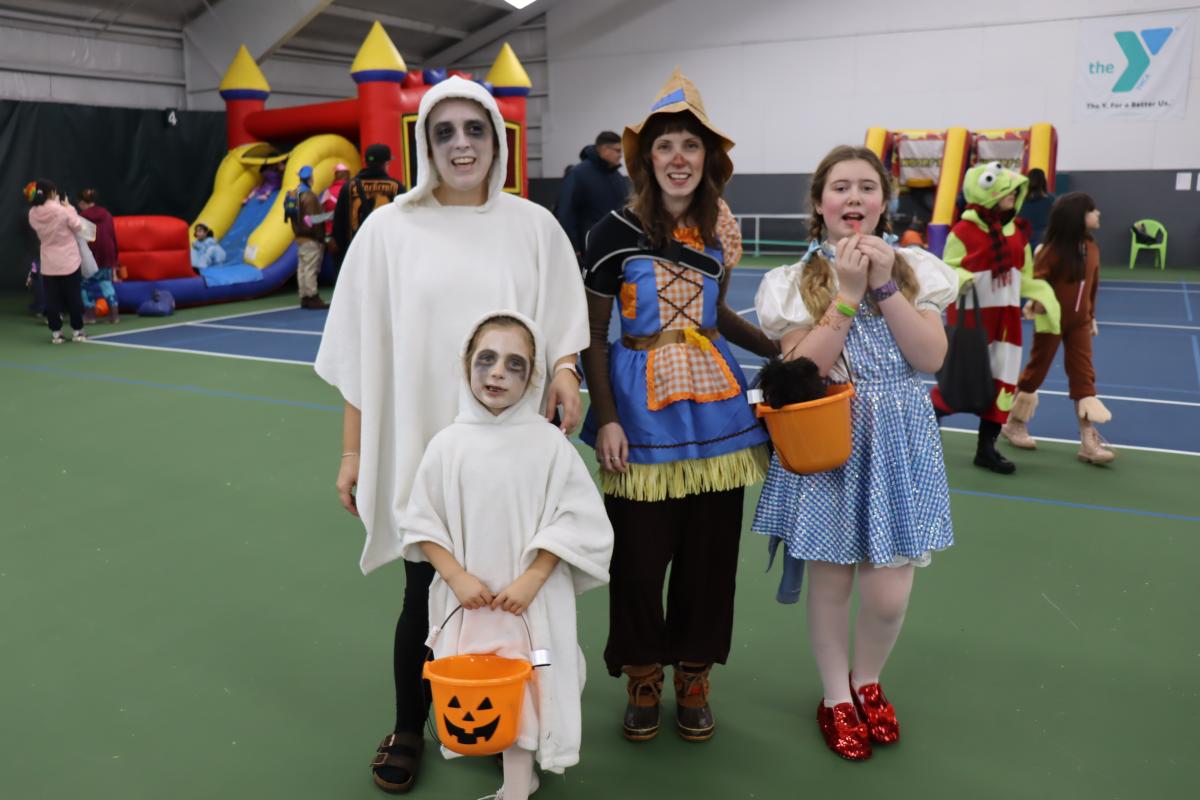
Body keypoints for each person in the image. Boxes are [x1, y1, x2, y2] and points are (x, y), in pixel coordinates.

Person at [314, 76, 588, 794]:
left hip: (515, 454)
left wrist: (565, 369)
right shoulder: (387, 232)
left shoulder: (533, 226)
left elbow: (561, 322)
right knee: (424, 593)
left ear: (498, 141)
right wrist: (353, 451)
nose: (461, 144)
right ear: (424, 145)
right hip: (424, 445)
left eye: (475, 129)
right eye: (445, 132)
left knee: (521, 594)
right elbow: (362, 354)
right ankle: (412, 723)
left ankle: (519, 725)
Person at [578, 68, 778, 744]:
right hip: (639, 418)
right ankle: (642, 675)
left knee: (709, 560)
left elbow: (718, 318)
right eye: (665, 146)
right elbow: (592, 337)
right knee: (636, 562)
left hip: (719, 414)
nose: (679, 159)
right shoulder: (610, 233)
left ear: (708, 160)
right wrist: (605, 416)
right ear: (646, 159)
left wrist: (782, 350)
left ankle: (693, 674)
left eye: (691, 146)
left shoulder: (717, 236)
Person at [753, 145, 959, 761]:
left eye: (866, 188)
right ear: (820, 203)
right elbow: (798, 374)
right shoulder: (791, 282)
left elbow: (930, 359)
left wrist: (884, 285)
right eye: (840, 187)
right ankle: (835, 695)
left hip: (899, 442)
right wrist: (845, 294)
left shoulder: (917, 266)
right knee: (832, 582)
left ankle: (868, 681)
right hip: (831, 442)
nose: (853, 198)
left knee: (888, 594)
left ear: (884, 202)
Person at [399, 311, 612, 799]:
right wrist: (454, 576)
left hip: (529, 606)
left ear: (533, 377)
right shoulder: (447, 446)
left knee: (527, 688)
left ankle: (516, 786)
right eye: (487, 359)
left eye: (515, 365)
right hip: (472, 605)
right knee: (487, 689)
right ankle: (517, 776)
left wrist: (533, 578)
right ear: (467, 364)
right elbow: (421, 521)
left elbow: (581, 520)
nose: (497, 373)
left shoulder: (549, 447)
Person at [929, 161, 1059, 474]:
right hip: (972, 323)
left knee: (1002, 386)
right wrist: (964, 277)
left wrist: (1042, 296)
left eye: (1016, 191)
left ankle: (986, 449)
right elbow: (948, 270)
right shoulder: (963, 230)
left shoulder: (1018, 233)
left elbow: (1023, 276)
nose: (1014, 195)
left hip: (1008, 324)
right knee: (955, 384)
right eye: (1008, 191)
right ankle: (922, 438)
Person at [1002, 193, 1115, 464]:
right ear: (1078, 216)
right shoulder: (1051, 250)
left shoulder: (1093, 249)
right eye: (1092, 210)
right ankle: (1014, 423)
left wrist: (1092, 316)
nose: (1098, 214)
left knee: (1084, 376)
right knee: (1036, 372)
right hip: (1050, 322)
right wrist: (1036, 304)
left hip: (1080, 324)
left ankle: (1088, 441)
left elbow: (1093, 287)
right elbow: (1037, 282)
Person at [25, 180, 88, 343]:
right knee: (73, 297)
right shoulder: (63, 211)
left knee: (52, 300)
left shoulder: (32, 213)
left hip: (48, 263)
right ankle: (78, 331)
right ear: (52, 193)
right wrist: (69, 208)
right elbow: (78, 226)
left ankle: (56, 333)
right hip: (69, 261)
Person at [554, 130, 630, 258]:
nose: (620, 156)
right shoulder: (578, 174)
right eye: (617, 151)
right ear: (604, 150)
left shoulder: (617, 177)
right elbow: (567, 212)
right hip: (589, 250)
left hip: (616, 248)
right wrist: (573, 246)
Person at [332, 143, 402, 258]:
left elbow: (338, 224)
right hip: (386, 253)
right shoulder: (396, 187)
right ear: (386, 163)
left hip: (356, 253)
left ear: (366, 162)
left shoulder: (349, 187)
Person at [76, 188, 120, 324]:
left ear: (83, 202)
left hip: (91, 256)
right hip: (107, 255)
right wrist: (115, 259)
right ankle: (114, 315)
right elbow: (112, 236)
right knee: (106, 284)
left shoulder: (81, 217)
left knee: (84, 285)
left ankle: (90, 315)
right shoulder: (106, 214)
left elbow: (84, 239)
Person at [289, 165, 328, 309]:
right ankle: (312, 296)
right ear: (310, 178)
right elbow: (314, 219)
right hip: (310, 237)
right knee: (311, 268)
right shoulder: (310, 197)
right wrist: (320, 237)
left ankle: (304, 296)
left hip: (299, 237)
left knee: (302, 268)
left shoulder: (294, 194)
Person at [1017, 168, 1055, 251]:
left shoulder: (1018, 200)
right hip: (1043, 243)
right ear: (1044, 182)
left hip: (1022, 242)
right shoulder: (1051, 200)